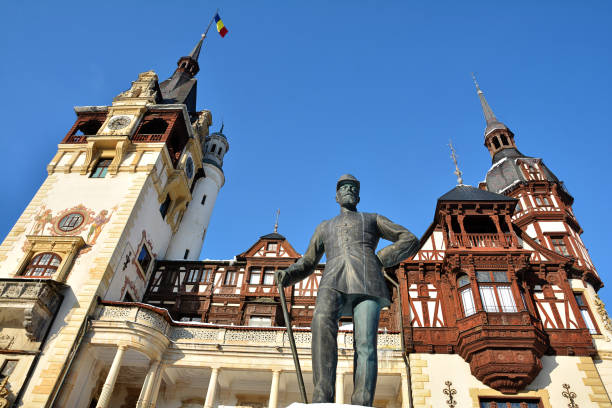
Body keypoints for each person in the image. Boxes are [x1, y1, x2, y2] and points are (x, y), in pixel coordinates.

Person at [275, 174, 419, 406]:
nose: (349, 190)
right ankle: (322, 398)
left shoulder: (372, 219)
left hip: (368, 281)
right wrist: (289, 274)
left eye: (353, 187)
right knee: (321, 327)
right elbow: (309, 261)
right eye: (344, 187)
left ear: (359, 196)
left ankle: (362, 402)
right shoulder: (325, 226)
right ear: (336, 196)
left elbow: (409, 238)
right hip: (332, 279)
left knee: (365, 344)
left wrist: (379, 258)